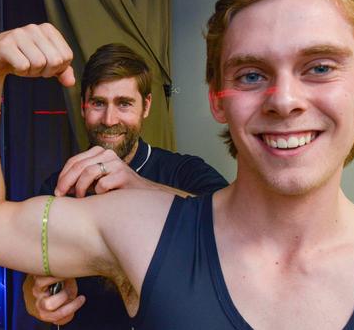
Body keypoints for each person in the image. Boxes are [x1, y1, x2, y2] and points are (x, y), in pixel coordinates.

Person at [0, 0, 354, 328]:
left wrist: (141, 186)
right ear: (217, 98)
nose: (285, 101)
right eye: (252, 75)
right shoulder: (137, 229)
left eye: (319, 67)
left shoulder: (176, 180)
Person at [21, 43, 227, 328]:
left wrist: (140, 185)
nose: (109, 120)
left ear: (146, 106)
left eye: (124, 103)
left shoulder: (185, 171)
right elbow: (32, 280)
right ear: (83, 107)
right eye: (98, 103)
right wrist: (38, 303)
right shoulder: (58, 186)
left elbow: (234, 223)